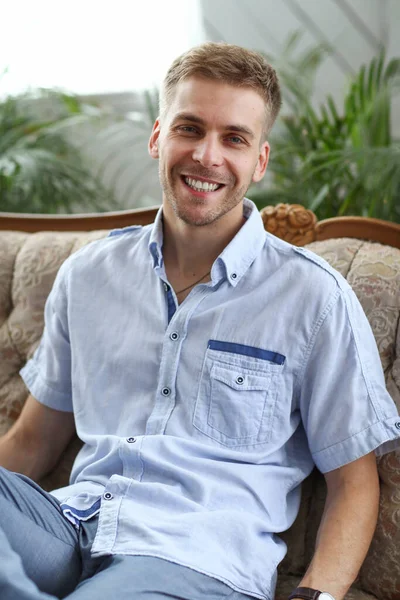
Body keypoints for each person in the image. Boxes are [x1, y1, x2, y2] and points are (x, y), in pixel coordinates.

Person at [0, 42, 399, 600]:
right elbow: (34, 439)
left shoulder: (314, 298)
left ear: (259, 160)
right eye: (189, 128)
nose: (207, 156)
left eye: (233, 138)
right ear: (158, 136)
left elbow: (354, 483)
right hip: (70, 529)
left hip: (196, 558)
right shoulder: (87, 276)